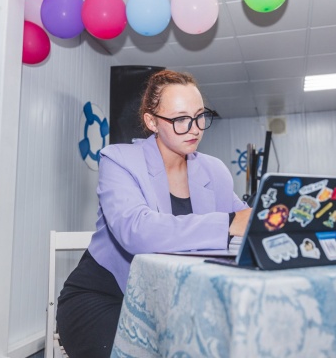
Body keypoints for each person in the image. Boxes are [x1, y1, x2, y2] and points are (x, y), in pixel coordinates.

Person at [57, 70, 252, 357]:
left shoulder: (214, 170)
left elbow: (245, 221)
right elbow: (138, 232)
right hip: (104, 296)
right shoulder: (119, 160)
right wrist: (227, 224)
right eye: (180, 119)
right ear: (152, 122)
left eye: (200, 116)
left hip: (168, 301)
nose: (195, 129)